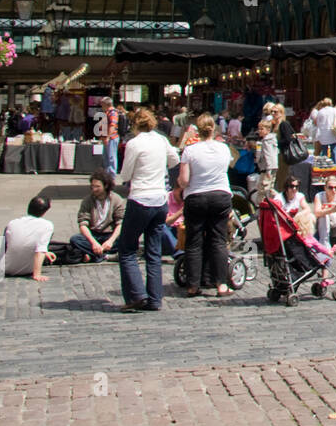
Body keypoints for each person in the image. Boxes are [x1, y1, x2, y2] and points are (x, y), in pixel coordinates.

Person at [115, 108, 179, 311]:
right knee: (154, 251)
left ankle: (136, 295)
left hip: (141, 198)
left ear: (135, 124)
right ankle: (155, 298)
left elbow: (125, 174)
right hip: (160, 200)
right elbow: (174, 160)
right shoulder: (161, 140)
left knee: (127, 249)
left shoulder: (134, 143)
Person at [179, 113, 234, 298]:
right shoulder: (224, 148)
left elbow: (184, 180)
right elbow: (226, 168)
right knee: (218, 240)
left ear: (197, 129)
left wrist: (181, 184)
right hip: (220, 195)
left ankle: (193, 285)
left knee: (194, 241)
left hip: (196, 196)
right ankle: (221, 284)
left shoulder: (190, 150)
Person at [69, 169, 126, 263]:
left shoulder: (116, 199)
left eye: (97, 187)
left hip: (109, 234)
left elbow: (120, 223)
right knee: (75, 239)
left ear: (106, 185)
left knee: (126, 239)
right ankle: (104, 256)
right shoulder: (87, 200)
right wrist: (93, 243)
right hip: (94, 234)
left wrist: (110, 241)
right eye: (92, 186)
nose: (94, 189)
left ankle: (93, 255)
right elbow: (83, 224)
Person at [0, 196, 56, 281]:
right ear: (44, 212)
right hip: (27, 269)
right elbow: (40, 250)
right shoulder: (47, 225)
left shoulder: (12, 223)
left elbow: (7, 246)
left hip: (5, 268)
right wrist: (37, 274)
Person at [254, 117, 279, 202]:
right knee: (270, 188)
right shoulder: (271, 139)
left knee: (263, 189)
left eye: (262, 129)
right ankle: (276, 202)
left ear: (268, 130)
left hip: (267, 168)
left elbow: (269, 155)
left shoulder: (266, 141)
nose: (259, 131)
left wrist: (268, 170)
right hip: (273, 167)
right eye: (259, 129)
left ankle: (260, 207)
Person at [102, 96, 121, 174]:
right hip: (108, 137)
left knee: (111, 157)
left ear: (107, 104)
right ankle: (107, 174)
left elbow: (112, 125)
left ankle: (112, 175)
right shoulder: (108, 112)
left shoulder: (113, 113)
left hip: (112, 138)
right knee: (107, 157)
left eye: (102, 104)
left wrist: (108, 137)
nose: (101, 106)